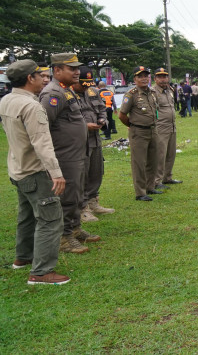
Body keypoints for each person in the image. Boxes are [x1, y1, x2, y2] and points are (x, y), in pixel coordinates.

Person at [0, 59, 69, 285]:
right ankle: (41, 272)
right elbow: (41, 143)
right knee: (50, 219)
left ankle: (23, 257)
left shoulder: (7, 100)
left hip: (18, 169)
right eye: (41, 76)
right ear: (30, 78)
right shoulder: (31, 105)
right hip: (34, 170)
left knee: (27, 216)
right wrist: (56, 173)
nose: (44, 80)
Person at [39, 53, 100, 253]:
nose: (77, 72)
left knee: (76, 193)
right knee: (67, 196)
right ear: (57, 70)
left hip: (77, 153)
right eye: (71, 68)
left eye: (77, 68)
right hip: (64, 155)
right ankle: (64, 237)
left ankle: (74, 228)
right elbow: (43, 127)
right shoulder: (53, 94)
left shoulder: (66, 91)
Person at [72, 66, 114, 221]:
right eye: (83, 84)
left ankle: (93, 201)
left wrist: (103, 119)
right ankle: (82, 207)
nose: (86, 87)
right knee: (81, 174)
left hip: (95, 139)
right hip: (78, 141)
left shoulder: (93, 91)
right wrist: (85, 126)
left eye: (88, 83)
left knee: (96, 171)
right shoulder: (68, 94)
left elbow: (102, 109)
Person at [118, 66, 161, 201]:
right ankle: (140, 192)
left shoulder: (152, 92)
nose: (144, 78)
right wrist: (132, 126)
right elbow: (122, 115)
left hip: (153, 130)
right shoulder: (131, 94)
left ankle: (150, 186)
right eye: (140, 76)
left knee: (153, 160)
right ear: (135, 79)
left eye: (146, 76)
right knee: (139, 163)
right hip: (138, 131)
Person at [153, 68, 182, 189]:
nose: (163, 79)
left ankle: (167, 177)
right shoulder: (152, 92)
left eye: (165, 76)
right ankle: (156, 181)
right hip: (160, 127)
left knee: (171, 153)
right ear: (155, 79)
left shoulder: (169, 90)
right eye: (160, 77)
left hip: (172, 126)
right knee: (160, 155)